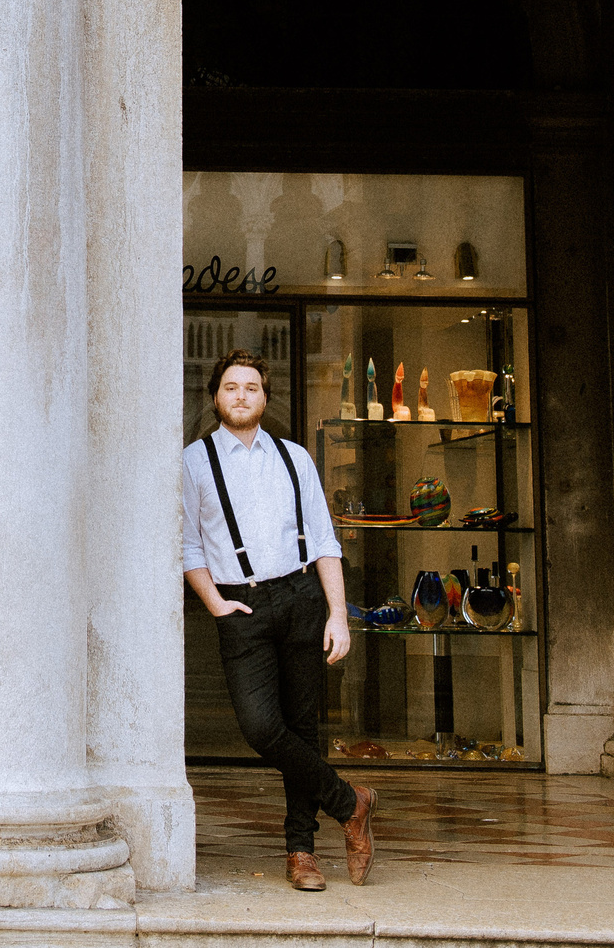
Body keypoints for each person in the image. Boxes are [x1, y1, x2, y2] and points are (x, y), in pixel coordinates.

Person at [182, 351, 376, 890]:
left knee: (303, 728)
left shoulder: (295, 458)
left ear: (265, 397)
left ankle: (301, 852)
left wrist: (338, 614)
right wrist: (215, 603)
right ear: (216, 397)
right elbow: (188, 545)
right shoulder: (194, 462)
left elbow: (323, 541)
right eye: (231, 387)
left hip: (300, 599)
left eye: (251, 387)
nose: (241, 396)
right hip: (240, 606)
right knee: (262, 727)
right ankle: (350, 802)